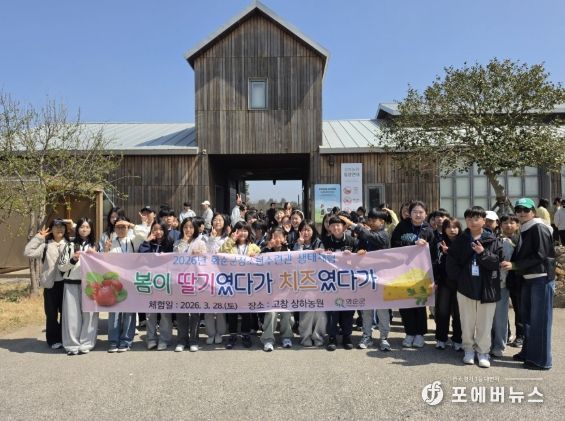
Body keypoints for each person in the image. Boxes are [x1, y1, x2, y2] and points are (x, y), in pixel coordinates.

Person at [502, 198, 555, 370]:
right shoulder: (526, 228)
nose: (522, 213)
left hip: (541, 278)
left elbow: (541, 254)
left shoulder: (538, 227)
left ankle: (541, 361)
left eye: (526, 209)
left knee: (540, 320)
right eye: (519, 210)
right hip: (529, 278)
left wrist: (515, 265)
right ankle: (528, 353)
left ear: (533, 211)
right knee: (528, 319)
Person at [446, 206, 502, 368]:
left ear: (484, 221)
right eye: (469, 219)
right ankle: (468, 350)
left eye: (476, 218)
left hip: (488, 288)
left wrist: (483, 253)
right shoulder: (461, 240)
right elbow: (451, 263)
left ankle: (483, 352)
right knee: (467, 322)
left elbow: (497, 263)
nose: (472, 222)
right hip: (466, 288)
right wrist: (461, 279)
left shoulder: (493, 240)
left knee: (485, 323)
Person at [341, 210, 392, 351]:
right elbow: (360, 245)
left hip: (381, 277)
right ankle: (366, 335)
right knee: (366, 309)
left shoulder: (384, 234)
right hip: (366, 276)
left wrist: (352, 224)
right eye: (369, 220)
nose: (371, 223)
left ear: (382, 222)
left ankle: (384, 338)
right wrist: (360, 251)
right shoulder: (366, 233)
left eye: (374, 220)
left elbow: (371, 237)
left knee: (382, 310)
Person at [391, 201, 436, 349]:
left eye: (421, 212)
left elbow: (434, 255)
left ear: (426, 214)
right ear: (409, 214)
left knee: (419, 304)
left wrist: (433, 277)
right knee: (405, 304)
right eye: (415, 212)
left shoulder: (429, 230)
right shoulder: (401, 227)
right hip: (403, 272)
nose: (417, 215)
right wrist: (412, 245)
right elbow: (394, 245)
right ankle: (409, 333)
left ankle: (420, 334)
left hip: (421, 274)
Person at [24, 219, 70, 350]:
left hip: (66, 284)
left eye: (62, 227)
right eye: (56, 227)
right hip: (50, 285)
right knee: (51, 315)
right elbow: (27, 252)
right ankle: (53, 340)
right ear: (51, 229)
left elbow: (84, 232)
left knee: (66, 314)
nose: (59, 229)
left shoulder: (70, 244)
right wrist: (39, 237)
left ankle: (64, 338)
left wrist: (72, 224)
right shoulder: (45, 245)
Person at [57, 217, 99, 355]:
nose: (84, 229)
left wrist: (96, 255)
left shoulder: (96, 245)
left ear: (91, 229)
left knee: (90, 315)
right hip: (71, 283)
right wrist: (73, 259)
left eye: (87, 227)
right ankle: (71, 345)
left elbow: (103, 266)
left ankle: (87, 343)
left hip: (90, 285)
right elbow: (61, 266)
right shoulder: (69, 245)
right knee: (71, 316)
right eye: (82, 227)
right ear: (77, 228)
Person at [322, 215, 363, 351]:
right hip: (331, 282)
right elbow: (318, 260)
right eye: (332, 225)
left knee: (348, 310)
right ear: (329, 228)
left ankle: (347, 336)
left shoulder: (353, 241)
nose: (335, 228)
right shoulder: (325, 241)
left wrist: (354, 256)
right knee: (332, 311)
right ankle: (332, 337)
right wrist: (319, 253)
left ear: (344, 227)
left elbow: (360, 258)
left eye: (338, 225)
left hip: (348, 282)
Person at [220, 221, 261, 349]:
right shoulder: (230, 245)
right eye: (239, 230)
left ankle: (245, 334)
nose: (242, 233)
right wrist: (231, 240)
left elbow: (262, 260)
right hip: (232, 282)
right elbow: (221, 253)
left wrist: (256, 256)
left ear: (249, 232)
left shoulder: (253, 246)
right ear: (234, 232)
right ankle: (232, 335)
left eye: (245, 230)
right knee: (232, 310)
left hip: (248, 283)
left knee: (246, 311)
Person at [138, 221, 174, 351]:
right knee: (150, 312)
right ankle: (151, 339)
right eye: (155, 229)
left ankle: (164, 339)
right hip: (150, 281)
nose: (158, 232)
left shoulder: (170, 244)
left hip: (165, 282)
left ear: (164, 230)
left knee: (165, 313)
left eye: (160, 229)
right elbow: (140, 255)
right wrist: (147, 241)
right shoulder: (148, 244)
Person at [173, 218, 208, 352]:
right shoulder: (177, 242)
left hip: (196, 281)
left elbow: (206, 261)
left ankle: (194, 340)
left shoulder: (200, 243)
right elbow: (175, 259)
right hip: (181, 281)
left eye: (191, 227)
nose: (188, 230)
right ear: (182, 228)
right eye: (186, 227)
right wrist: (183, 242)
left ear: (195, 229)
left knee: (195, 312)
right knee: (181, 312)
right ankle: (182, 340)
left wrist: (200, 255)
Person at [104, 217, 137, 352]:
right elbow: (103, 261)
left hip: (130, 280)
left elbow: (145, 233)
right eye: (118, 227)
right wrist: (106, 250)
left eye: (124, 227)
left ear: (128, 228)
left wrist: (131, 224)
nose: (121, 229)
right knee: (114, 312)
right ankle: (113, 340)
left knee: (129, 312)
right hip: (115, 281)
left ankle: (126, 340)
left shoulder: (133, 240)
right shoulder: (110, 242)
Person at [490, 214, 520, 358]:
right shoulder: (494, 239)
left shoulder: (519, 240)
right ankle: (491, 343)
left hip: (505, 282)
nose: (508, 225)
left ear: (517, 225)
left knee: (500, 317)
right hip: (492, 283)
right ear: (500, 224)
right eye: (505, 222)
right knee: (491, 317)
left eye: (512, 222)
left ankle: (499, 346)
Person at [293, 220, 326, 347]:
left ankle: (318, 337)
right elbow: (294, 260)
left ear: (313, 231)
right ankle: (305, 336)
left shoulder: (319, 243)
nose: (305, 232)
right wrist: (300, 245)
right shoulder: (296, 244)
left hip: (317, 282)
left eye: (308, 230)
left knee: (320, 312)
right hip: (302, 282)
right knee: (306, 311)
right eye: (303, 230)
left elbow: (324, 261)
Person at [260, 228, 293, 351]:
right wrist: (268, 247)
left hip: (286, 289)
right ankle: (268, 339)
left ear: (284, 238)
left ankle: (286, 337)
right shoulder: (266, 250)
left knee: (287, 313)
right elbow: (257, 261)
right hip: (270, 290)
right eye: (274, 236)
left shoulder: (289, 250)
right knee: (271, 313)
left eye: (280, 236)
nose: (277, 239)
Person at [434, 217, 463, 351]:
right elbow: (435, 262)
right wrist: (435, 280)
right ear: (444, 229)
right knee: (442, 311)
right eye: (449, 227)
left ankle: (458, 339)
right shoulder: (439, 242)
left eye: (455, 227)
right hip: (444, 281)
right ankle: (441, 338)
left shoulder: (464, 241)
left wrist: (450, 251)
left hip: (460, 282)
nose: (452, 230)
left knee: (459, 313)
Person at [203, 213, 230, 344]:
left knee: (220, 307)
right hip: (207, 275)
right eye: (215, 219)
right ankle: (210, 333)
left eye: (220, 220)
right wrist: (212, 239)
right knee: (208, 306)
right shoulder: (204, 237)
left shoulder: (227, 238)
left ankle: (220, 332)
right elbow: (206, 253)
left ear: (225, 223)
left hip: (221, 275)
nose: (217, 222)